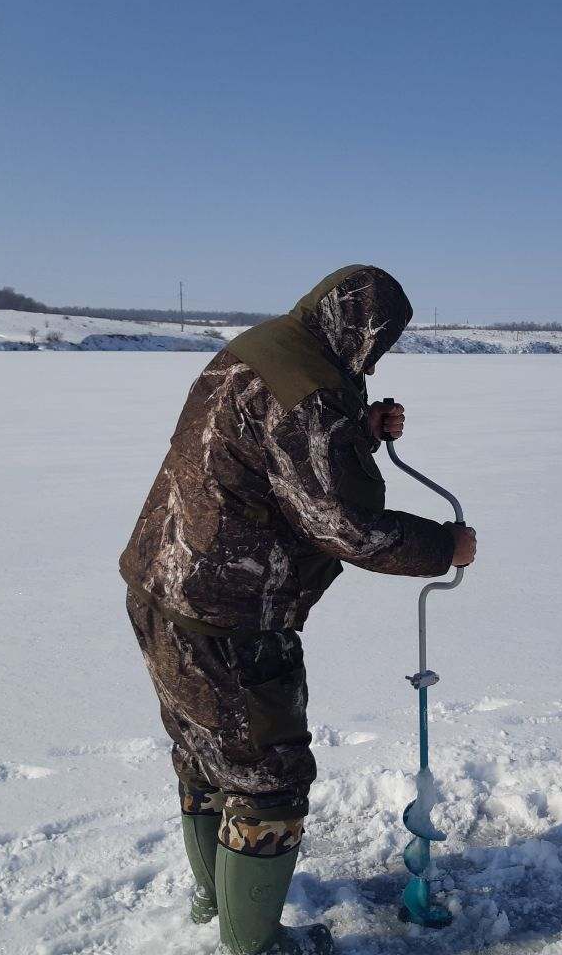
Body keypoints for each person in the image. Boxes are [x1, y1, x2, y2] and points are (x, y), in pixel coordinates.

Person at [119, 265, 478, 954]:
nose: (377, 359)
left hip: (162, 589)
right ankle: (251, 945)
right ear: (360, 329)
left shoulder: (269, 347)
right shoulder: (309, 393)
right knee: (269, 781)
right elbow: (342, 524)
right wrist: (443, 547)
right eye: (380, 344)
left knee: (205, 756)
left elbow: (272, 450)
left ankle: (215, 909)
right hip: (229, 618)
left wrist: (359, 429)